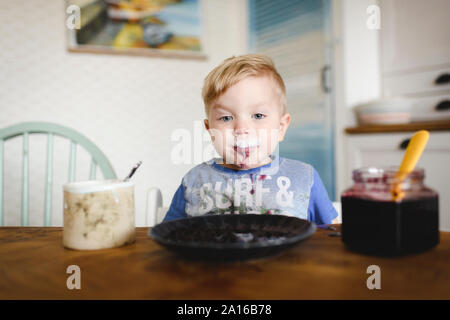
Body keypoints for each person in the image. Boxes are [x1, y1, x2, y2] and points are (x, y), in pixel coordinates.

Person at [163, 54, 338, 225]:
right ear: (210, 130)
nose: (241, 130)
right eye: (225, 118)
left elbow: (332, 236)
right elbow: (168, 236)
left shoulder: (304, 177)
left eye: (258, 115)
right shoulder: (194, 180)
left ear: (281, 128)